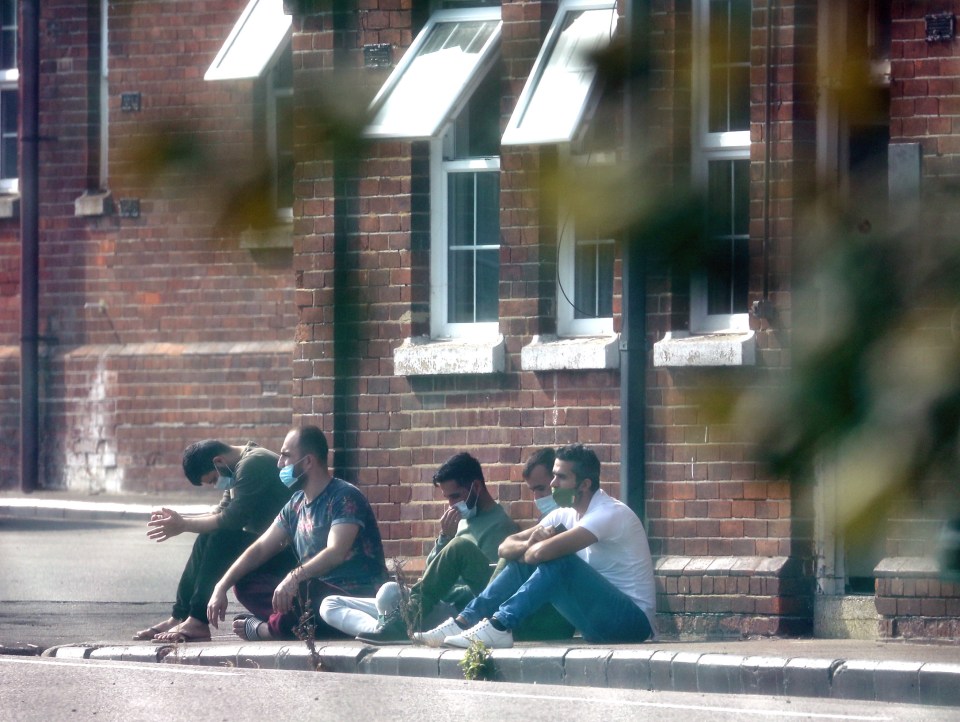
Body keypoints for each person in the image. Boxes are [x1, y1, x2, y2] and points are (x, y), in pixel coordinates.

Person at [415, 443, 656, 649]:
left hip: (633, 623)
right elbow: (504, 547)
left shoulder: (608, 513)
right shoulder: (566, 514)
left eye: (561, 477)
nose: (553, 484)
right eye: (553, 475)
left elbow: (542, 553)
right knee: (527, 555)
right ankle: (465, 621)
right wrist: (530, 542)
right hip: (594, 623)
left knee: (560, 561)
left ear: (584, 484)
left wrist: (532, 546)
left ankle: (499, 625)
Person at [207, 425, 388, 641]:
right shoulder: (295, 504)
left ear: (308, 462)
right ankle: (289, 621)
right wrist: (221, 586)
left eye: (285, 456)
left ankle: (266, 630)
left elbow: (335, 551)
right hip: (312, 596)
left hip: (351, 597)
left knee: (304, 592)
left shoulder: (344, 496)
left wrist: (293, 578)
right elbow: (261, 548)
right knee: (245, 582)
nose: (279, 463)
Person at [318, 451, 518, 644]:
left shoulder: (500, 526)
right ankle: (384, 630)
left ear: (476, 487)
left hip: (455, 610)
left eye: (455, 496)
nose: (451, 505)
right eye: (447, 498)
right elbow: (431, 571)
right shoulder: (462, 520)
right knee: (330, 604)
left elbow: (485, 589)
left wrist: (439, 588)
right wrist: (444, 537)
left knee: (389, 592)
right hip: (426, 600)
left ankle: (396, 629)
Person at [135, 439, 295, 644]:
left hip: (287, 551)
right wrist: (180, 521)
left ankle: (198, 621)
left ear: (218, 461)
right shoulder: (238, 466)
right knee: (207, 537)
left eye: (212, 480)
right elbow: (221, 512)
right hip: (270, 546)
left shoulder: (254, 463)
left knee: (221, 538)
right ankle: (180, 616)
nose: (215, 485)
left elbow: (232, 520)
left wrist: (183, 525)